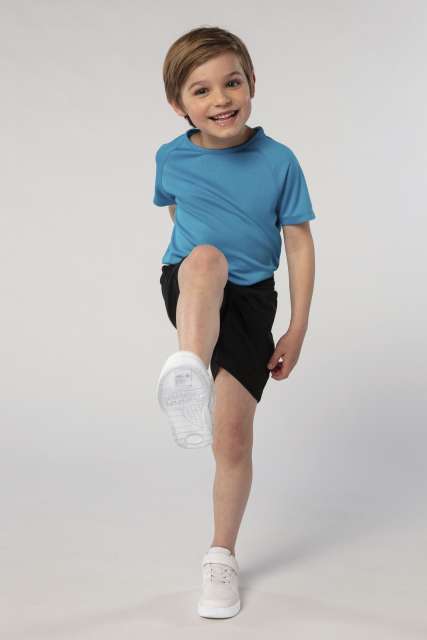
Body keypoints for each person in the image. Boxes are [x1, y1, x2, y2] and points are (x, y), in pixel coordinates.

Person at [153, 26, 316, 619]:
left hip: (251, 302)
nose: (220, 99)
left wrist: (296, 327)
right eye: (201, 90)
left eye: (232, 83)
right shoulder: (170, 157)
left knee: (232, 437)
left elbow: (298, 244)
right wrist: (200, 283)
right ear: (178, 103)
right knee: (204, 258)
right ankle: (189, 370)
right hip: (194, 285)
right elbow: (179, 212)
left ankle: (221, 554)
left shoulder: (279, 161)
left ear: (251, 84)